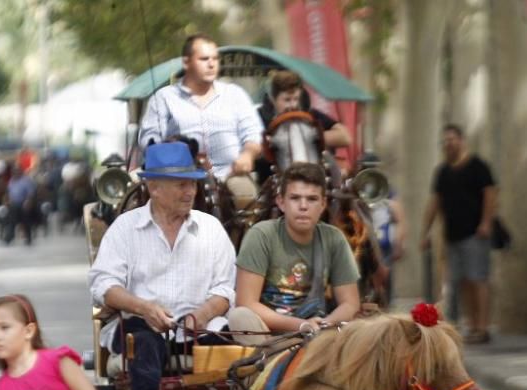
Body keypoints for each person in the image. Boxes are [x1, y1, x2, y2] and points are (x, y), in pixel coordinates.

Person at [88, 141, 236, 390]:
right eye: (181, 185)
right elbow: (103, 284)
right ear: (154, 187)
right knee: (143, 343)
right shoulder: (125, 228)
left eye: (192, 184)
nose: (190, 192)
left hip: (200, 327)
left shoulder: (211, 229)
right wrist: (144, 308)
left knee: (230, 351)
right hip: (140, 326)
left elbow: (225, 290)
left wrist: (203, 314)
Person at [231, 162, 360, 339]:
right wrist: (299, 325)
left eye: (312, 199)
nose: (303, 206)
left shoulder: (334, 239)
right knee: (239, 317)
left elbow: (350, 303)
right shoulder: (261, 235)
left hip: (319, 332)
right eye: (295, 198)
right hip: (268, 334)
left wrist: (325, 325)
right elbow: (246, 303)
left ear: (323, 204)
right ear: (281, 202)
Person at [138, 34, 263, 180]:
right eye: (204, 59)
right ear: (186, 62)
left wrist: (247, 155)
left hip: (232, 177)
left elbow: (253, 133)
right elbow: (149, 140)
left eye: (215, 59)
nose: (211, 64)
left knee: (248, 199)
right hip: (180, 178)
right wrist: (168, 151)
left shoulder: (235, 94)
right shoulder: (164, 98)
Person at [420, 124, 497, 344]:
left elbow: (490, 194)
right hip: (452, 236)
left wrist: (485, 223)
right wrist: (425, 232)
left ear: (462, 140)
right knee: (462, 281)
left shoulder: (477, 166)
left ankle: (483, 327)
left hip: (475, 233)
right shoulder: (442, 171)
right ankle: (472, 325)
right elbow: (434, 202)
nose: (448, 144)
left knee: (478, 279)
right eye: (445, 141)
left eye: (452, 139)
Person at [254, 70, 352, 185]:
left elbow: (345, 137)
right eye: (287, 100)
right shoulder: (258, 117)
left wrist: (310, 137)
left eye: (295, 99)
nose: (292, 105)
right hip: (270, 182)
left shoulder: (309, 116)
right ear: (273, 99)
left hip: (313, 180)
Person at [358, 152, 407, 303]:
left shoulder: (388, 191)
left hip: (384, 244)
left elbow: (400, 218)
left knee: (385, 284)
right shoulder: (356, 188)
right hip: (362, 244)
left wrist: (399, 242)